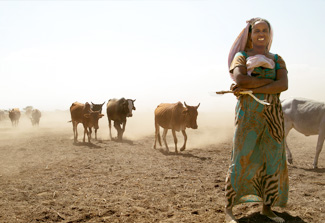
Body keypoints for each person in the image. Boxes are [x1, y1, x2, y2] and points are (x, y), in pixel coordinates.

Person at [225, 18, 289, 223]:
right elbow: (240, 80)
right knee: (241, 157)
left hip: (273, 117)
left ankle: (267, 208)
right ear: (250, 35)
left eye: (265, 30)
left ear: (270, 34)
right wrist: (270, 83)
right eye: (257, 30)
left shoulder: (278, 58)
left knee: (272, 158)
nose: (261, 33)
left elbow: (283, 85)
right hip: (248, 115)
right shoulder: (241, 57)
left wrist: (253, 88)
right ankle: (229, 210)